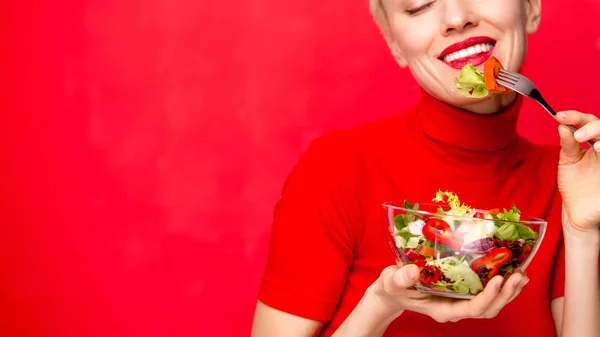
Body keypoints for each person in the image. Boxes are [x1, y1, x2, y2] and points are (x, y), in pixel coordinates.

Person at [251, 0, 600, 336]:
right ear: (395, 44)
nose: (456, 17)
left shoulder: (570, 179)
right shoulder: (337, 169)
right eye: (419, 5)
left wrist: (583, 232)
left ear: (531, 7)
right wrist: (381, 304)